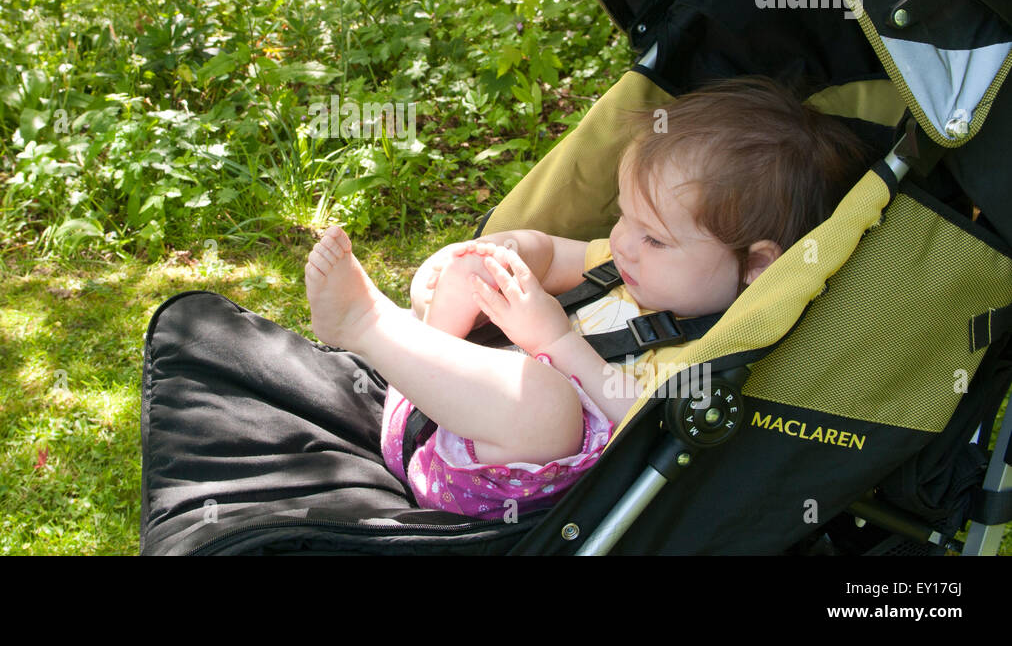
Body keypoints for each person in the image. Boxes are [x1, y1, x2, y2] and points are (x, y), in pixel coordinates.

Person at [303, 77, 870, 519]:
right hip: (437, 407)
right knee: (485, 269)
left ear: (757, 265)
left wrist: (555, 340)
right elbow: (550, 253)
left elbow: (646, 424)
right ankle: (416, 348)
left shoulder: (717, 354)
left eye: (655, 237)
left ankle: (367, 325)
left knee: (547, 404)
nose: (623, 241)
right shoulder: (623, 262)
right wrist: (507, 247)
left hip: (492, 479)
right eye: (624, 215)